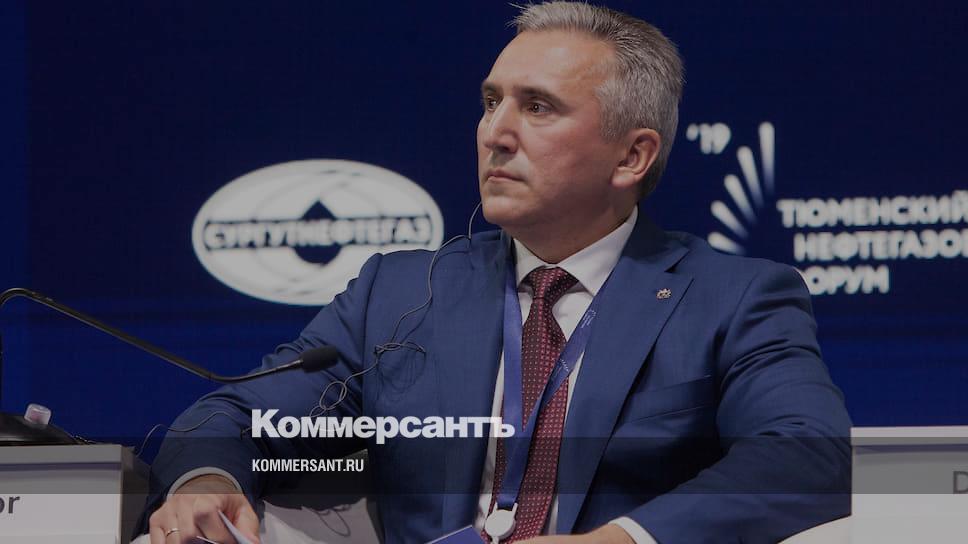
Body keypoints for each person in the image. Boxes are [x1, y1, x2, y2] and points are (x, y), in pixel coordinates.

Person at [146, 2, 851, 543]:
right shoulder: (398, 292)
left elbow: (806, 456)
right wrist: (207, 478)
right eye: (491, 102)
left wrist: (623, 541)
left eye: (537, 107)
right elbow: (233, 414)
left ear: (632, 157)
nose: (495, 132)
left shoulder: (733, 297)